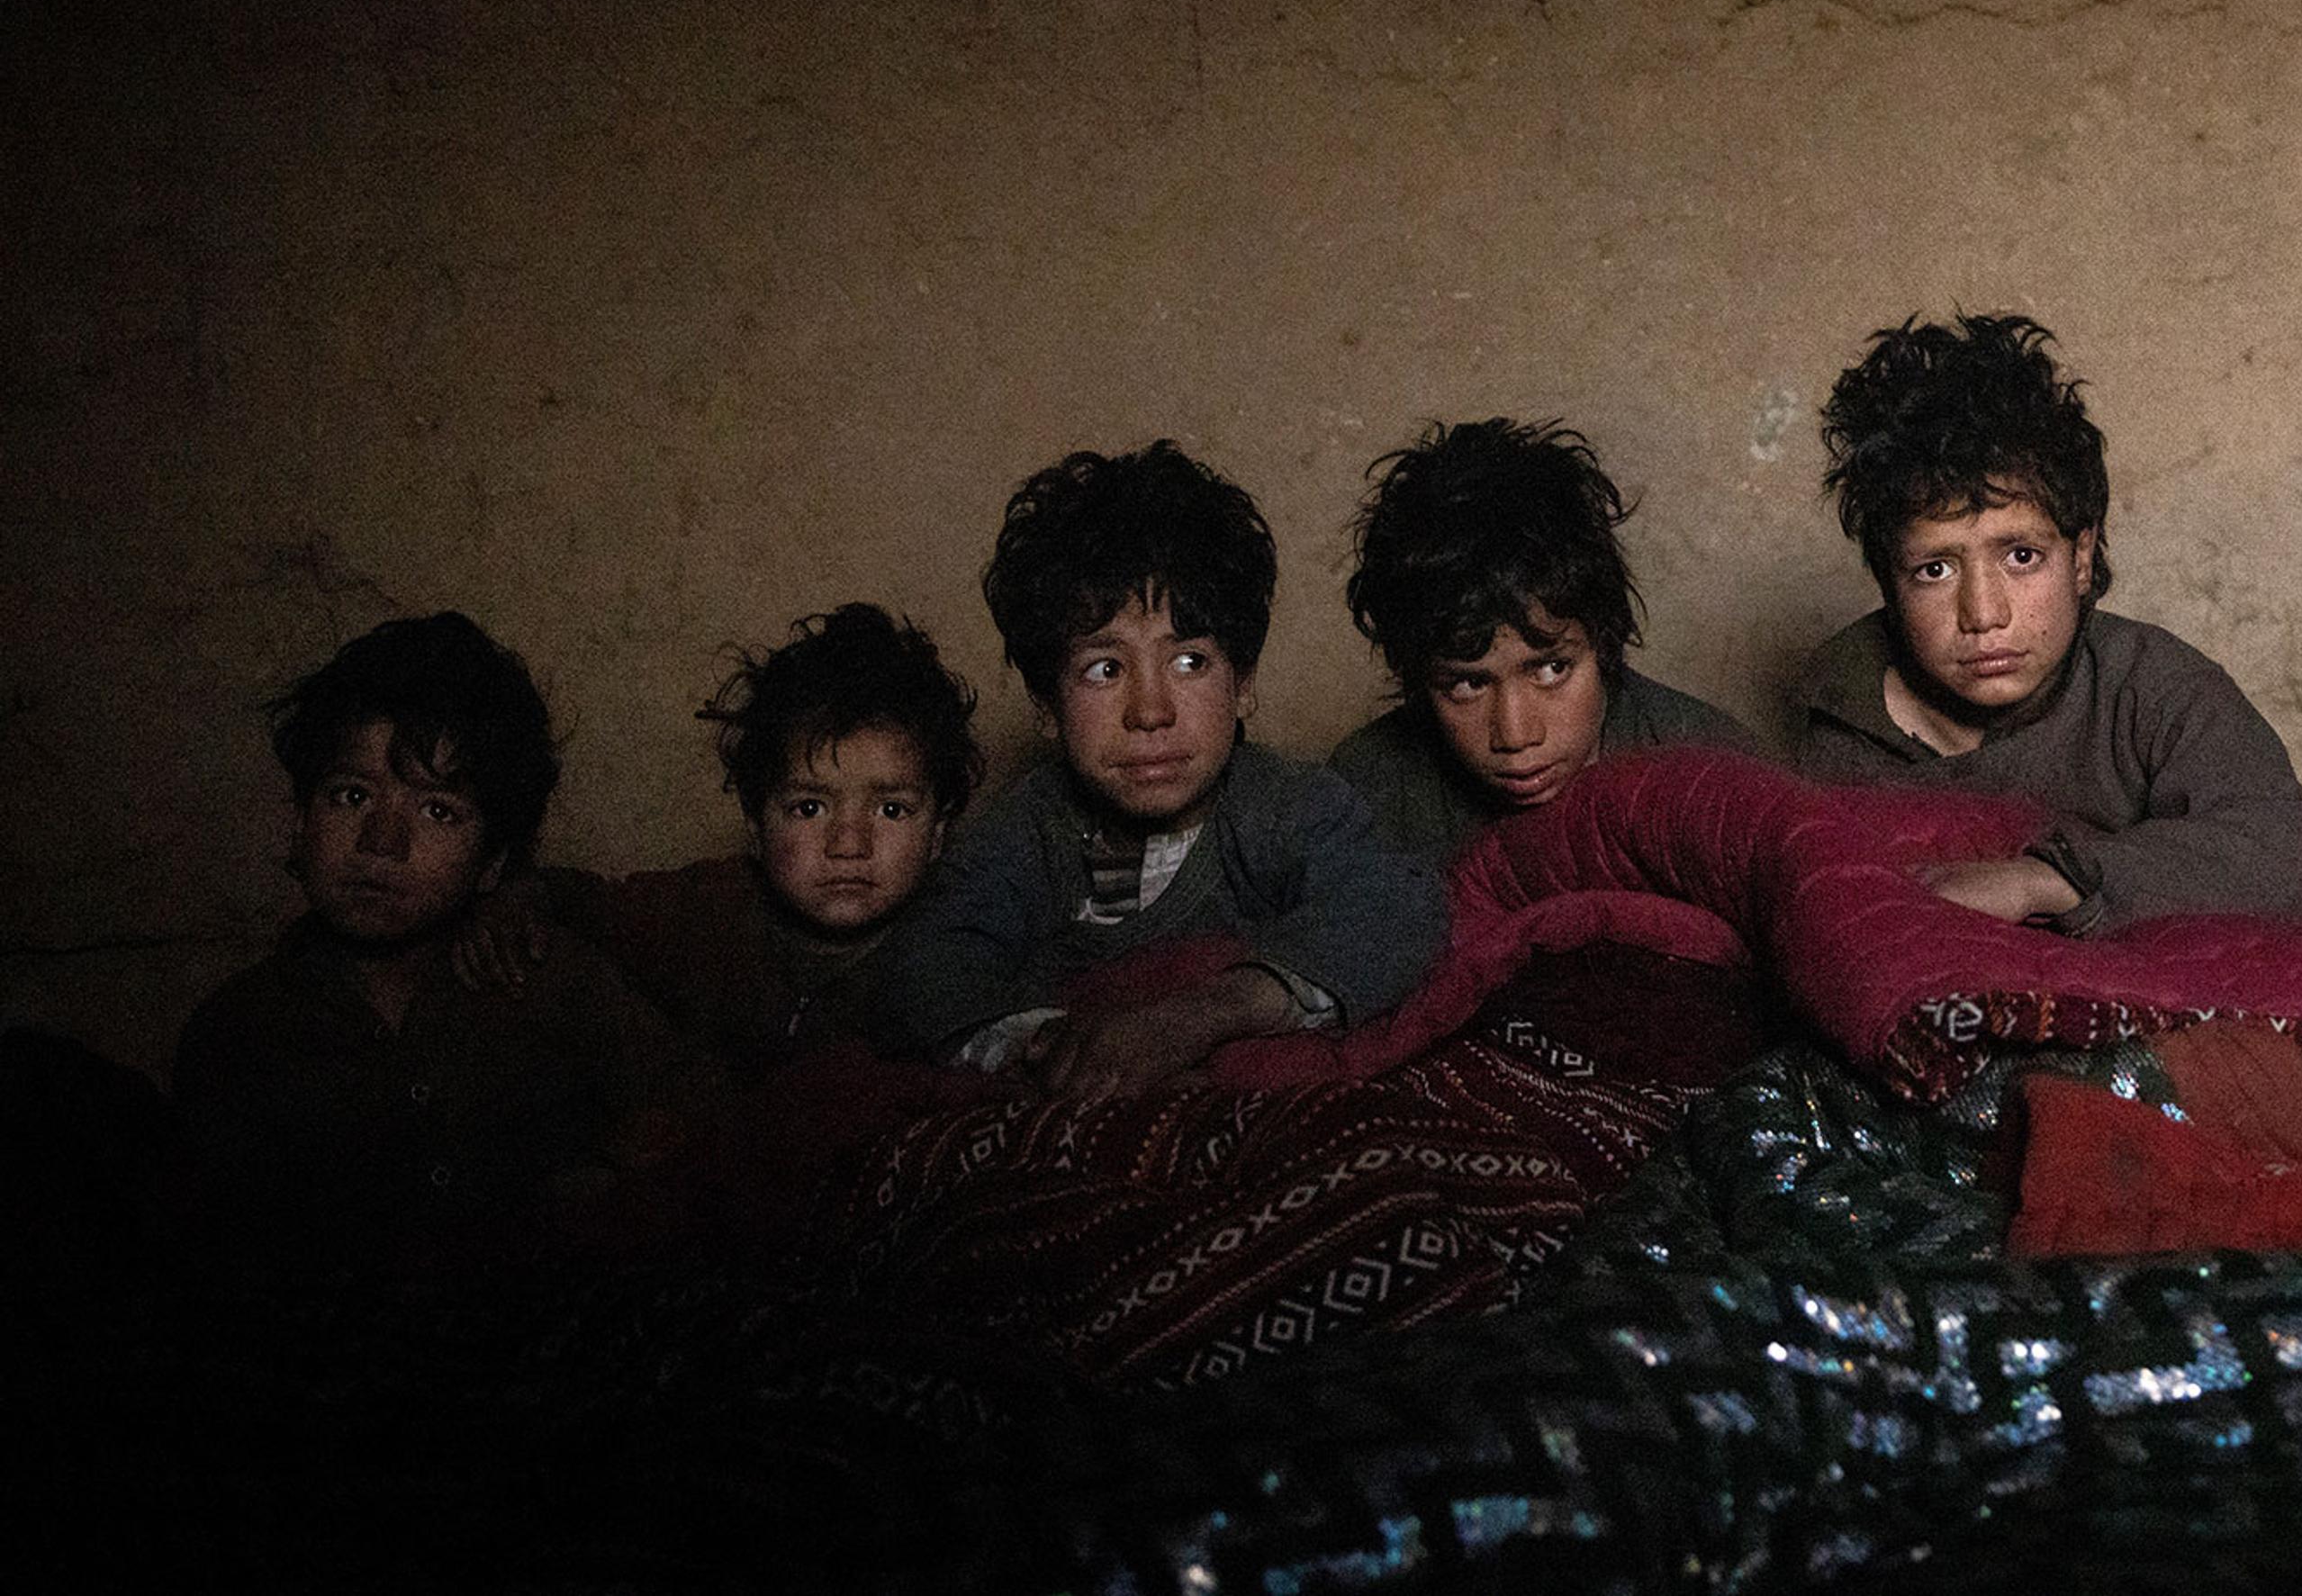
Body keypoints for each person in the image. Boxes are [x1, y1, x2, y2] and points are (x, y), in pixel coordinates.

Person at [863, 442, 1445, 1096]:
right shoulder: (1026, 836)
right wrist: (1065, 1048)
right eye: (1105, 669)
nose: (1150, 712)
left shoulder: (1292, 807)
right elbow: (927, 964)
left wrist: (1203, 1016)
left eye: (1190, 662)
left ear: (1244, 683)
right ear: (1047, 706)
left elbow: (1394, 909)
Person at [170, 613, 692, 1276]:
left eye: (438, 810)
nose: (382, 841)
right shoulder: (240, 1033)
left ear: (493, 864)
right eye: (351, 795)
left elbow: (686, 1107)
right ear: (299, 826)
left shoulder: (547, 979)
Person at [1790, 312, 2302, 931]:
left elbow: (2278, 851)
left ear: (2081, 557)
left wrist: (2045, 881)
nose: (1984, 615)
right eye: (1935, 570)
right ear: (1889, 581)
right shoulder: (1841, 718)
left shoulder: (2155, 688)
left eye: (2022, 557)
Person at [474, 603, 984, 1074]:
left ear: (938, 831)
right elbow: (580, 904)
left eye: (891, 810)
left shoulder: (961, 945)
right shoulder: (710, 910)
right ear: (756, 826)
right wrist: (515, 902)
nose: (848, 845)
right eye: (809, 808)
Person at [1330, 419, 1758, 865]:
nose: (1515, 736)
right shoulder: (1365, 792)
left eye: (1551, 669)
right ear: (1418, 678)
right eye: (1467, 685)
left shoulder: (1719, 770)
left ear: (1604, 643)